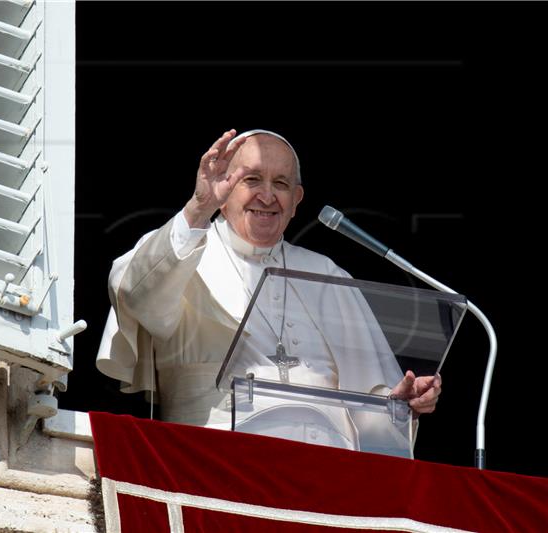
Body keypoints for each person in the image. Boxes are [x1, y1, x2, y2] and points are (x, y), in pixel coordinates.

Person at [96, 129, 441, 454]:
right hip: (213, 454)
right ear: (224, 188)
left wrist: (398, 404)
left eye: (281, 184)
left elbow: (370, 409)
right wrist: (199, 207)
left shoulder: (325, 272)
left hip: (328, 466)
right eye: (252, 180)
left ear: (296, 200)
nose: (267, 195)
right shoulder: (183, 247)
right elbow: (136, 294)